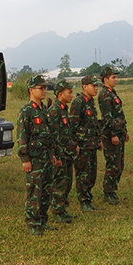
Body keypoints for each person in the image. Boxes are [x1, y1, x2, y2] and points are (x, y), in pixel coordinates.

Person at [16, 75, 59, 235]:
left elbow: (48, 135)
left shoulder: (43, 110)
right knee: (35, 192)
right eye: (41, 88)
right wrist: (25, 159)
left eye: (45, 88)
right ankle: (32, 223)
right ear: (31, 90)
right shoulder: (26, 111)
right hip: (34, 160)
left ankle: (42, 220)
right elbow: (22, 136)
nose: (44, 91)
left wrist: (53, 154)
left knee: (47, 191)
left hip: (46, 157)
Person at [70, 75, 102, 212]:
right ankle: (83, 200)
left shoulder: (90, 102)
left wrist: (98, 140)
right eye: (93, 86)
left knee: (91, 174)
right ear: (84, 87)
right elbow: (73, 126)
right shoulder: (79, 102)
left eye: (96, 86)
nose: (96, 88)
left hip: (92, 145)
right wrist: (78, 142)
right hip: (83, 145)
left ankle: (88, 198)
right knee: (83, 173)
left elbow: (93, 124)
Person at [48, 79, 78, 223]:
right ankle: (57, 211)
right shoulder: (54, 111)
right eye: (69, 92)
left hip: (67, 153)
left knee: (67, 183)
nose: (71, 95)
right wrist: (57, 155)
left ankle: (63, 209)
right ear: (60, 94)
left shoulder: (63, 109)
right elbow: (54, 136)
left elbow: (66, 132)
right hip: (60, 154)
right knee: (59, 184)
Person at [99, 66, 129, 205]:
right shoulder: (105, 95)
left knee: (119, 164)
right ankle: (108, 192)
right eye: (113, 77)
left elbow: (119, 114)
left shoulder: (112, 93)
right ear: (106, 79)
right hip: (111, 135)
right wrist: (112, 134)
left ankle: (113, 190)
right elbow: (107, 117)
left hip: (119, 132)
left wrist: (124, 131)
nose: (116, 80)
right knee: (113, 164)